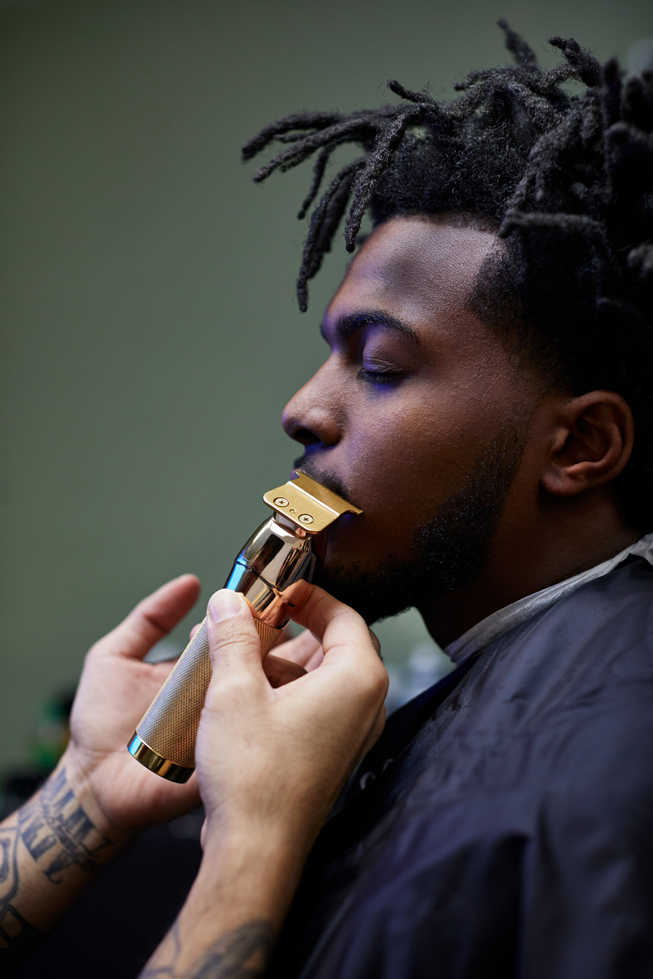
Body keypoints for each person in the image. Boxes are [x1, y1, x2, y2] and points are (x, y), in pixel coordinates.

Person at [4, 20, 653, 978]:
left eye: (379, 366)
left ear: (580, 446)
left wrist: (255, 835)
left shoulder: (593, 790)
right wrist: (99, 784)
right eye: (329, 356)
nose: (301, 408)